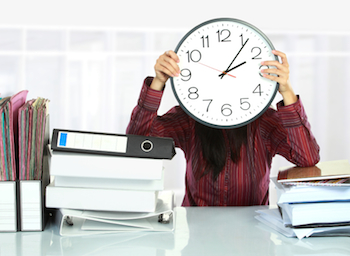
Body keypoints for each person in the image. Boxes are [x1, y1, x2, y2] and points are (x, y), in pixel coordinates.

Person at [126, 50, 320, 206]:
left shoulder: (264, 121)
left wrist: (286, 90)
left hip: (253, 237)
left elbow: (307, 157)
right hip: (199, 237)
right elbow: (138, 143)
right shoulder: (189, 118)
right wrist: (158, 81)